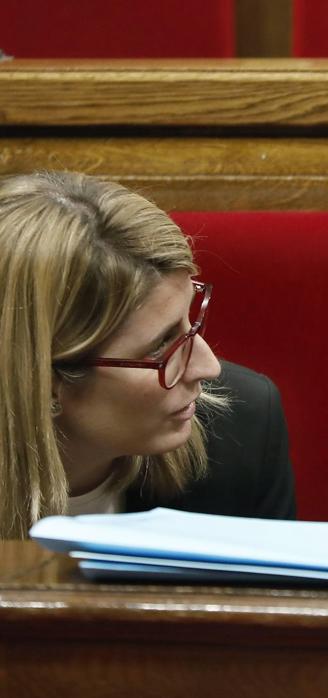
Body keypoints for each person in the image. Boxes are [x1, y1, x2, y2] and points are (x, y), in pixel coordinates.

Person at [0, 171, 296, 539]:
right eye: (160, 346)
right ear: (45, 381)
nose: (209, 367)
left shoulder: (243, 431)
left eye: (191, 320)